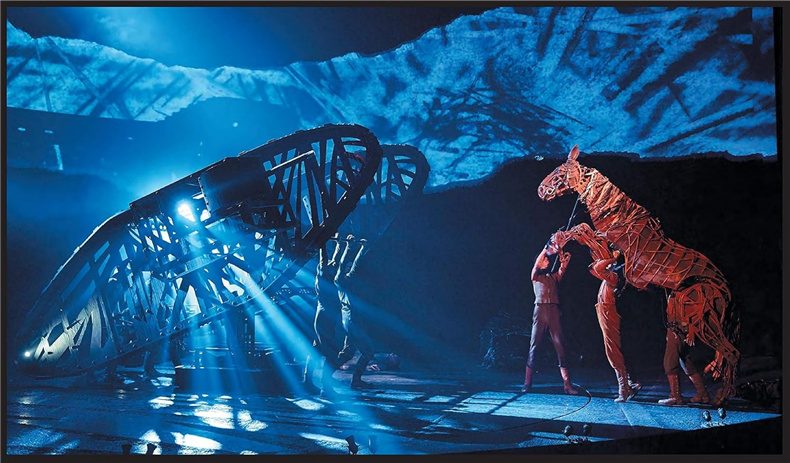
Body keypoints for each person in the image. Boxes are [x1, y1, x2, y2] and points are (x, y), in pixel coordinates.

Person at [522, 235, 578, 395]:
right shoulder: (535, 276)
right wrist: (546, 248)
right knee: (534, 346)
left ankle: (567, 385)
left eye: (547, 259)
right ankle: (527, 382)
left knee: (560, 346)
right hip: (540, 311)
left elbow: (562, 270)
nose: (546, 260)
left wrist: (564, 260)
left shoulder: (553, 277)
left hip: (553, 311)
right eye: (544, 260)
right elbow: (536, 264)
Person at [588, 249, 642, 402]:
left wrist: (611, 258)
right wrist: (605, 257)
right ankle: (629, 385)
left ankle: (624, 390)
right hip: (604, 311)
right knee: (614, 348)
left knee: (612, 350)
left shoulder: (615, 278)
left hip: (608, 312)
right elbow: (592, 268)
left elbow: (597, 268)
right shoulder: (610, 278)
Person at [303, 238, 346, 398]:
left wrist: (339, 246)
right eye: (332, 266)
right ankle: (325, 387)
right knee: (331, 355)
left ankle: (307, 382)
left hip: (325, 321)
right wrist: (322, 243)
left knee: (317, 350)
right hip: (323, 321)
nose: (335, 266)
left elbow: (334, 261)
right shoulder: (323, 277)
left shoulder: (329, 279)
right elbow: (324, 261)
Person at [335, 235, 377, 390]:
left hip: (349, 320)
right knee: (368, 351)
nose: (349, 269)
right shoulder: (342, 280)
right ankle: (356, 380)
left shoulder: (344, 281)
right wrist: (353, 248)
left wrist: (359, 248)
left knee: (347, 353)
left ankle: (328, 377)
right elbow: (348, 265)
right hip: (352, 321)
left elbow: (352, 265)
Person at [659, 319, 710, 406]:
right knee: (686, 362)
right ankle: (702, 394)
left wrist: (690, 330)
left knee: (670, 361)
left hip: (677, 330)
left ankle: (675, 396)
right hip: (679, 329)